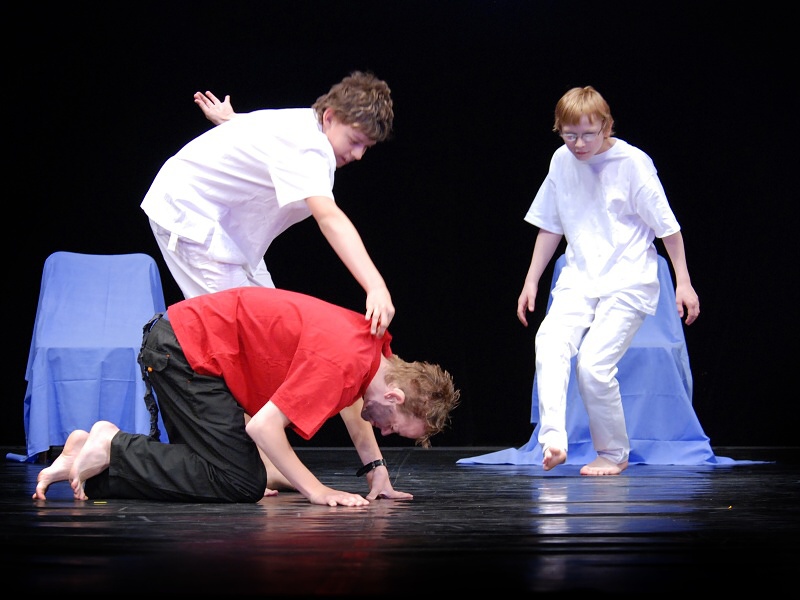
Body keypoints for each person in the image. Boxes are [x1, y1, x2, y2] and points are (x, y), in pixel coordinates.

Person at [32, 287, 460, 505]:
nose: (384, 431)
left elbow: (351, 402)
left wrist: (376, 473)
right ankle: (112, 445)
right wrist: (317, 491)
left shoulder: (374, 351)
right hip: (184, 354)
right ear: (396, 397)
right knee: (242, 480)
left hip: (191, 352)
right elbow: (263, 427)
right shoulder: (342, 361)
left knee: (217, 471)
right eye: (393, 427)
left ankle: (88, 459)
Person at [516, 85, 700, 477]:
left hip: (628, 279)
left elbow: (668, 229)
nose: (579, 144)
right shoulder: (561, 161)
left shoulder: (633, 163)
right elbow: (550, 225)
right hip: (580, 276)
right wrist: (531, 280)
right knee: (550, 341)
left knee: (594, 366)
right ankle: (554, 440)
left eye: (588, 134)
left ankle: (614, 453)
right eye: (569, 135)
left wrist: (683, 282)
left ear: (607, 126)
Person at [141, 71, 396, 337]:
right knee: (246, 331)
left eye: (366, 147)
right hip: (187, 212)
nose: (358, 155)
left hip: (228, 230)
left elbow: (262, 129)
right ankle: (168, 358)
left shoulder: (306, 122)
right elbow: (329, 218)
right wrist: (375, 286)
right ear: (330, 116)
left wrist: (230, 119)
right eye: (354, 141)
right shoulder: (309, 147)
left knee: (272, 324)